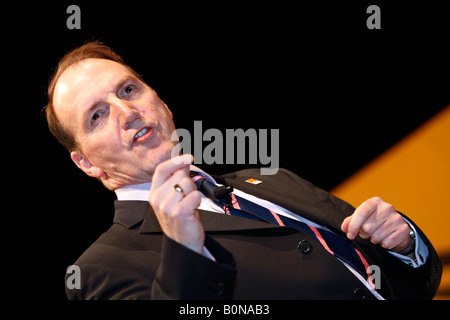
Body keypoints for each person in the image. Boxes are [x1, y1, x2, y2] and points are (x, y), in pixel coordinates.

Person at [45, 41, 441, 300]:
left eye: (128, 90)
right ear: (87, 163)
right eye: (97, 115)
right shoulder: (98, 270)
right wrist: (185, 248)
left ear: (162, 103)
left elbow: (409, 284)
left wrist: (406, 246)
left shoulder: (270, 179)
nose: (127, 112)